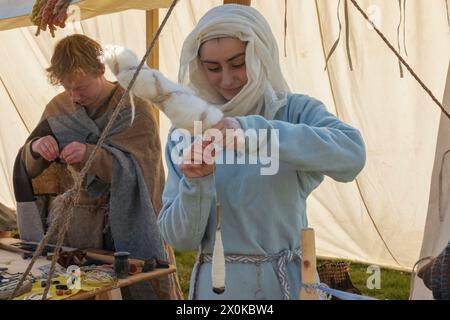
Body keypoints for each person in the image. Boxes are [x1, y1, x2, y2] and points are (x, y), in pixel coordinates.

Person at [157, 4, 366, 300]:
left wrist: (252, 132)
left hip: (285, 286)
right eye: (213, 68)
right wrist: (196, 184)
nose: (227, 80)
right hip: (217, 291)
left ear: (260, 55)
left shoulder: (292, 111)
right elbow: (180, 239)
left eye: (238, 63)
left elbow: (352, 156)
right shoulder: (187, 131)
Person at [13, 34, 182, 300]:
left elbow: (143, 169)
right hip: (78, 231)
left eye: (81, 88)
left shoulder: (134, 107)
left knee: (140, 292)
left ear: (101, 70)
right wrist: (36, 148)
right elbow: (30, 168)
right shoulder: (58, 108)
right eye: (68, 88)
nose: (74, 97)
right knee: (80, 292)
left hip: (130, 225)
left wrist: (92, 155)